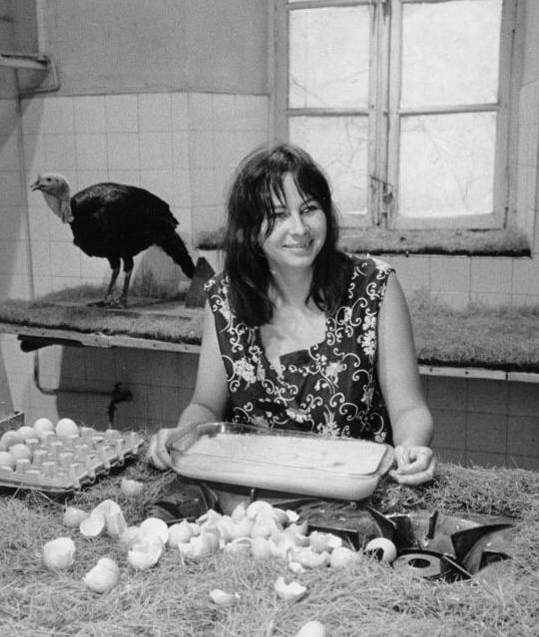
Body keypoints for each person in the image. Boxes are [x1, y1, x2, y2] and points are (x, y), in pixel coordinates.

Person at [147, 143, 436, 485]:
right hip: (254, 498)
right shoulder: (224, 298)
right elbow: (206, 407)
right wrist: (182, 435)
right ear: (249, 230)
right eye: (279, 214)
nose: (299, 229)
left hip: (355, 492)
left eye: (309, 209)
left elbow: (409, 410)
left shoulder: (374, 287)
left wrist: (412, 448)